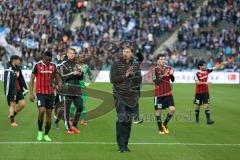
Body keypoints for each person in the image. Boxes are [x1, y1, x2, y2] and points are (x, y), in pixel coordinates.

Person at [110, 46, 142, 153]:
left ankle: (125, 144)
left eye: (127, 51)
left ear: (132, 54)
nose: (125, 53)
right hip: (118, 95)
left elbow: (139, 81)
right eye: (124, 51)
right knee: (121, 118)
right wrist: (125, 75)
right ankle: (121, 145)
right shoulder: (116, 64)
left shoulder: (136, 65)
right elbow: (113, 80)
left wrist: (132, 76)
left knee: (128, 121)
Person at [29, 51, 62, 142]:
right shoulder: (37, 65)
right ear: (43, 57)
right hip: (40, 93)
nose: (48, 61)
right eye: (47, 59)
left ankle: (46, 135)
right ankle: (40, 131)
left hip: (51, 93)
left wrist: (59, 82)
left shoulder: (54, 66)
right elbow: (32, 79)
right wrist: (31, 93)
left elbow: (57, 76)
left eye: (50, 60)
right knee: (41, 110)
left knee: (48, 114)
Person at [59, 48, 84, 134]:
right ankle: (68, 128)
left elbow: (80, 77)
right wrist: (72, 73)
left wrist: (80, 73)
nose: (72, 55)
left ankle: (74, 125)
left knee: (80, 106)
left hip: (77, 89)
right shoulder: (63, 64)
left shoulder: (77, 64)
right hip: (67, 89)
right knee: (67, 109)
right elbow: (62, 76)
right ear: (67, 54)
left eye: (73, 53)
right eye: (70, 53)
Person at [153, 54, 176, 135]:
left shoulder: (169, 68)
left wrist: (171, 74)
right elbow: (156, 81)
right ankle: (160, 128)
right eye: (161, 59)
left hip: (168, 93)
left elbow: (172, 80)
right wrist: (164, 75)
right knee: (158, 112)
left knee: (172, 109)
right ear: (158, 61)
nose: (163, 60)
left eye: (164, 59)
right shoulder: (155, 69)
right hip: (158, 94)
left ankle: (165, 124)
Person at [69, 54, 93, 127]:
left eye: (83, 57)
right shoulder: (73, 66)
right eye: (80, 57)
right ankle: (71, 119)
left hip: (83, 88)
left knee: (83, 104)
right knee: (72, 105)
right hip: (74, 87)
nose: (82, 58)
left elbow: (90, 75)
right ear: (77, 58)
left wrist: (88, 82)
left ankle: (84, 119)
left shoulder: (86, 67)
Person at [4, 55, 28, 126]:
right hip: (11, 89)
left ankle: (12, 114)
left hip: (18, 89)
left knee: (22, 104)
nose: (19, 61)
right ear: (14, 60)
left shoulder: (18, 68)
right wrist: (15, 75)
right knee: (12, 104)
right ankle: (12, 122)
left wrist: (24, 87)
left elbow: (21, 78)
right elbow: (8, 79)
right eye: (18, 60)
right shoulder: (8, 68)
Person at [194, 60, 219, 125]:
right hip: (198, 93)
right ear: (200, 66)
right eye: (204, 65)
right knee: (197, 107)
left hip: (205, 92)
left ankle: (208, 120)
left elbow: (214, 68)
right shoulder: (196, 73)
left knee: (206, 106)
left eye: (205, 65)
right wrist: (205, 82)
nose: (205, 66)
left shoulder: (207, 71)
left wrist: (222, 63)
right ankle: (197, 118)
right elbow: (197, 82)